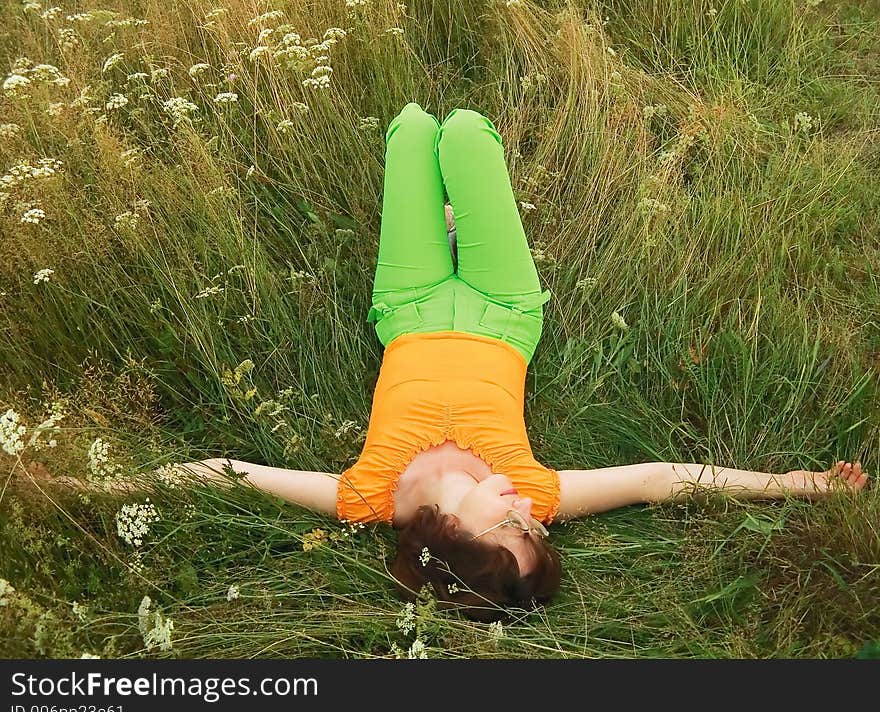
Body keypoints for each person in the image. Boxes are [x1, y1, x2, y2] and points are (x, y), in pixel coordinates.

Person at [36, 102, 870, 622]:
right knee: (467, 132)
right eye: (536, 531)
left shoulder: (366, 498)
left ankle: (435, 227)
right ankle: (456, 221)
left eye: (513, 530)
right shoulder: (535, 488)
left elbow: (216, 469)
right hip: (506, 314)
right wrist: (797, 484)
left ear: (450, 534)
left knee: (410, 127)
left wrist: (80, 487)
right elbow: (662, 477)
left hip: (406, 309)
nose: (530, 515)